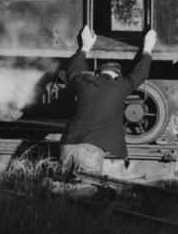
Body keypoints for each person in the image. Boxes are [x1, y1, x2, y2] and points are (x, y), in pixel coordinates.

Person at [59, 25, 156, 175]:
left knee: (61, 189)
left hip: (66, 146)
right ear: (117, 75)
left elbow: (71, 68)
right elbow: (142, 72)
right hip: (91, 151)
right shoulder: (121, 86)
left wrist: (85, 46)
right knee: (87, 192)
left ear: (98, 74)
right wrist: (148, 47)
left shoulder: (85, 81)